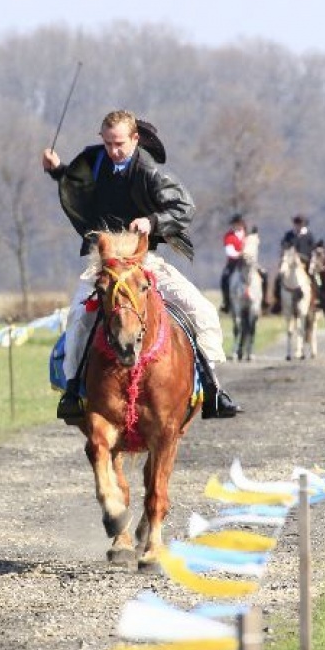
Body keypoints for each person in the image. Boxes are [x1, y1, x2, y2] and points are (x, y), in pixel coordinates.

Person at [41, 109, 242, 422]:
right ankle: (72, 389)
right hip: (104, 262)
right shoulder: (94, 162)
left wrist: (152, 221)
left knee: (202, 311)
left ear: (135, 139)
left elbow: (184, 206)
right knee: (79, 318)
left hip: (143, 260)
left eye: (119, 143)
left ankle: (212, 388)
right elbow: (78, 186)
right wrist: (57, 171)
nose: (113, 150)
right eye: (107, 143)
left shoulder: (149, 171)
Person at [271, 214, 316, 313]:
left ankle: (315, 299)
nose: (298, 226)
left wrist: (303, 257)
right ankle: (278, 301)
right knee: (279, 278)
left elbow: (312, 249)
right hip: (290, 261)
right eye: (297, 224)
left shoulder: (309, 235)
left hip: (304, 261)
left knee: (314, 277)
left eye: (300, 224)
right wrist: (288, 251)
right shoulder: (289, 235)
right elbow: (284, 245)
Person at [220, 213, 246, 313]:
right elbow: (229, 252)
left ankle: (264, 301)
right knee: (225, 278)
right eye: (235, 224)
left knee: (263, 275)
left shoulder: (247, 235)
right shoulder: (229, 236)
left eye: (239, 223)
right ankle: (226, 303)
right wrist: (241, 254)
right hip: (234, 262)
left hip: (247, 263)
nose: (237, 225)